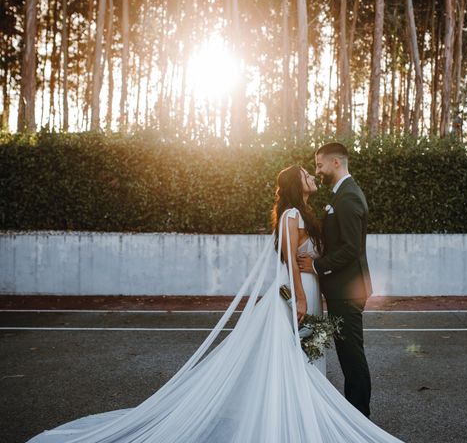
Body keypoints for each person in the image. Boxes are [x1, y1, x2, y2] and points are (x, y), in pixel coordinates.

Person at [26, 164, 401, 443]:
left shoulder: (306, 213)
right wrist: (301, 298)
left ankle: (304, 417)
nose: (311, 175)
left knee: (308, 353)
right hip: (298, 292)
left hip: (312, 288)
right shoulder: (291, 215)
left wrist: (315, 284)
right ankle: (290, 420)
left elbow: (309, 255)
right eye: (306, 172)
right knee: (296, 354)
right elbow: (288, 257)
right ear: (294, 184)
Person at [297, 142, 373, 418]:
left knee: (352, 358)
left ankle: (360, 418)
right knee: (347, 356)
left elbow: (351, 248)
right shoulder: (340, 194)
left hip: (348, 290)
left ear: (335, 163)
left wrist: (317, 265)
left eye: (319, 165)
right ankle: (356, 415)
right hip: (342, 289)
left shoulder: (349, 196)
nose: (317, 171)